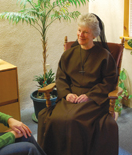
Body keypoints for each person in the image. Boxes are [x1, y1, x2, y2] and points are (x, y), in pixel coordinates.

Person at [37, 13, 118, 155]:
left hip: (93, 100)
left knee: (73, 119)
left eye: (86, 32)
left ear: (94, 35)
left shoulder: (104, 56)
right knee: (54, 117)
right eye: (79, 30)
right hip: (71, 97)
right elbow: (61, 78)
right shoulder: (68, 54)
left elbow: (109, 81)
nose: (81, 34)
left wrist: (89, 96)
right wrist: (67, 94)